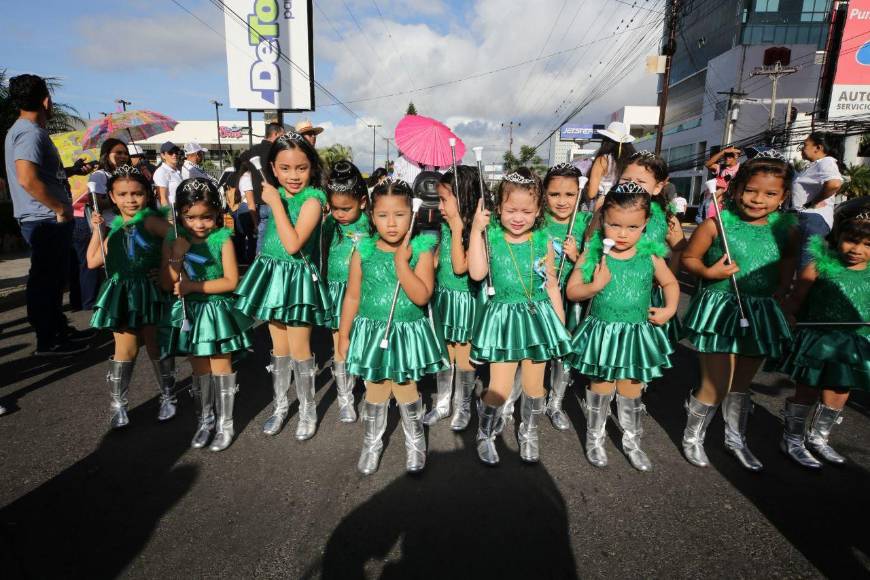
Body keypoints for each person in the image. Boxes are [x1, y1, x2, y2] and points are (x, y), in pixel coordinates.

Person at [680, 152, 798, 472]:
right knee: (717, 383)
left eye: (770, 193)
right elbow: (689, 259)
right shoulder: (715, 225)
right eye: (751, 190)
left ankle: (735, 438)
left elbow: (789, 258)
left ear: (783, 196)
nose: (758, 199)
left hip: (760, 310)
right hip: (720, 308)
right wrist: (709, 273)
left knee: (740, 385)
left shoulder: (786, 230)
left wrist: (784, 288)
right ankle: (693, 436)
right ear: (736, 189)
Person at [566, 182, 679, 471]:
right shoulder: (593, 254)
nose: (623, 234)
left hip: (635, 334)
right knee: (601, 386)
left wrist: (669, 309)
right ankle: (595, 438)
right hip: (603, 334)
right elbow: (573, 291)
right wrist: (594, 286)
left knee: (631, 389)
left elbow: (669, 282)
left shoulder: (649, 255)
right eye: (614, 225)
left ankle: (632, 441)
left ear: (645, 224)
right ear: (603, 219)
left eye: (632, 227)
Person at [337, 178, 446, 474]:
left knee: (406, 387)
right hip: (372, 332)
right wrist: (344, 334)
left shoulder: (421, 250)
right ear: (372, 216)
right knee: (375, 389)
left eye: (399, 214)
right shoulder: (364, 250)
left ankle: (416, 442)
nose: (392, 223)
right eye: (383, 215)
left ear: (412, 215)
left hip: (406, 333)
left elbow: (422, 295)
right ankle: (372, 443)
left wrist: (401, 265)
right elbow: (352, 296)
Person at [468, 168, 572, 465]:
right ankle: (485, 433)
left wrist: (560, 325)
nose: (518, 217)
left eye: (526, 211)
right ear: (498, 208)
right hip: (503, 320)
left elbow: (551, 284)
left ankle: (529, 431)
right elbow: (476, 272)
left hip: (538, 320)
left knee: (534, 386)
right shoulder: (491, 237)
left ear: (538, 211)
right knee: (499, 387)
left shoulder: (542, 240)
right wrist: (476, 230)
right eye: (511, 210)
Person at [234, 132, 332, 441]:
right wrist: (275, 200)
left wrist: (275, 203)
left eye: (301, 168)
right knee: (278, 348)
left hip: (298, 281)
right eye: (285, 168)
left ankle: (307, 410)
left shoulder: (313, 200)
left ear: (312, 168)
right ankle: (279, 406)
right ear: (273, 169)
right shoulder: (276, 194)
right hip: (274, 276)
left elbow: (293, 244)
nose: (293, 176)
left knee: (300, 348)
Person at [4, 73, 94, 356]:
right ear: (45, 100)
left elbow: (41, 173)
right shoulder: (29, 132)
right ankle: (48, 340)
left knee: (53, 279)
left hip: (44, 217)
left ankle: (57, 330)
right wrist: (59, 208)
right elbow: (27, 178)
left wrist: (72, 171)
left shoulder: (27, 130)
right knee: (46, 280)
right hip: (44, 218)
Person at [162, 178, 254, 452]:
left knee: (221, 366)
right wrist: (176, 256)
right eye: (190, 217)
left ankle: (226, 424)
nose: (199, 224)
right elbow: (167, 283)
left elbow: (231, 281)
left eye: (206, 217)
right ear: (180, 215)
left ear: (217, 214)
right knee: (200, 369)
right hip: (192, 313)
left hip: (216, 312)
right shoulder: (174, 240)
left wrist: (193, 286)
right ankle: (205, 420)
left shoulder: (222, 240)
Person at [779, 206, 869, 468]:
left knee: (839, 391)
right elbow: (796, 298)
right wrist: (788, 314)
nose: (857, 250)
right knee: (807, 391)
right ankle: (792, 439)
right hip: (818, 340)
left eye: (867, 245)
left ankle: (818, 438)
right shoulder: (818, 266)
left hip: (854, 342)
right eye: (851, 240)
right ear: (838, 237)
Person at [87, 166, 174, 428]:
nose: (130, 200)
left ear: (147, 194)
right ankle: (118, 404)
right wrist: (97, 230)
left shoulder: (151, 222)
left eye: (136, 193)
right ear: (112, 197)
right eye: (123, 194)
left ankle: (168, 396)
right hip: (123, 295)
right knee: (125, 349)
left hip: (150, 292)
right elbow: (93, 261)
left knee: (156, 346)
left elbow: (178, 239)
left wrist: (166, 269)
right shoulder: (114, 228)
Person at [425, 165, 483, 430]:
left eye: (444, 200)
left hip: (465, 302)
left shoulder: (475, 230)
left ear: (464, 197)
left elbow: (460, 267)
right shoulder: (446, 227)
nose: (440, 206)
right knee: (444, 354)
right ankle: (442, 404)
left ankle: (463, 406)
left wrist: (459, 229)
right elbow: (440, 260)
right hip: (445, 298)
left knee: (464, 357)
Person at [618, 151, 687, 344]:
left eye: (641, 181)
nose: (632, 185)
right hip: (611, 288)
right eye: (626, 180)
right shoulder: (608, 209)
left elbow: (680, 248)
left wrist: (668, 274)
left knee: (642, 349)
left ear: (657, 187)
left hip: (647, 295)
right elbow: (592, 242)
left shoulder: (665, 216)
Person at [322, 161, 370, 424]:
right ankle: (345, 397)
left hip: (364, 293)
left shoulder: (372, 224)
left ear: (362, 202)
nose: (339, 214)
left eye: (346, 208)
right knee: (340, 343)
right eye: (335, 208)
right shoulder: (329, 225)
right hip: (336, 290)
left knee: (365, 342)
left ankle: (372, 394)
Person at [792, 132, 844, 268]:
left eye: (805, 145)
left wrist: (813, 202)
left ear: (818, 148)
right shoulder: (816, 165)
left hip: (813, 218)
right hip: (807, 218)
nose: (802, 149)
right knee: (799, 263)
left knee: (806, 265)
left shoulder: (827, 161)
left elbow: (834, 184)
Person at [239, 122, 285, 249]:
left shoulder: (254, 150)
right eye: (282, 135)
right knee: (278, 236)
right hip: (275, 199)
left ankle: (259, 260)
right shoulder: (276, 150)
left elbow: (241, 158)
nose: (283, 138)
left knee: (262, 236)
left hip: (259, 201)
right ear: (275, 134)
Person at [585, 122, 637, 209]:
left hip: (604, 204)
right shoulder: (633, 160)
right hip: (628, 204)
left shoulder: (603, 160)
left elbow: (591, 193)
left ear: (606, 140)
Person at [153, 141, 183, 207]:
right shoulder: (161, 172)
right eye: (170, 152)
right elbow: (162, 198)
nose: (174, 155)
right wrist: (168, 213)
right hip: (170, 211)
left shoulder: (177, 171)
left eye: (176, 152)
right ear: (163, 155)